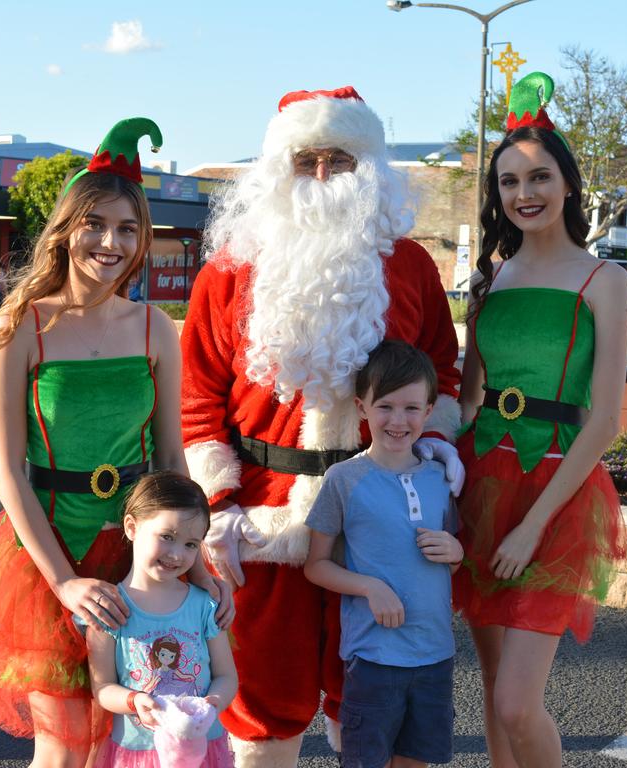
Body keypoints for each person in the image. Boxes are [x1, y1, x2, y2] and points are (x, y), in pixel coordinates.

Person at [180, 86, 464, 767]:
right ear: (278, 166)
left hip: (376, 524)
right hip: (259, 520)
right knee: (259, 703)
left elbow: (443, 380)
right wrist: (216, 509)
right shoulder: (227, 272)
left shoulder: (413, 267)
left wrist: (431, 450)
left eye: (338, 160)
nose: (319, 175)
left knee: (367, 694)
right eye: (305, 159)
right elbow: (196, 398)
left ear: (367, 169)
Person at [0, 118, 230, 768]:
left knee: (130, 736)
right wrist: (64, 583)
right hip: (46, 558)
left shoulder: (155, 328)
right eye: (95, 224)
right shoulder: (20, 327)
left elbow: (170, 464)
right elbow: (7, 470)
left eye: (128, 228)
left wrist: (201, 560)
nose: (110, 242)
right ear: (67, 228)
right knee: (66, 741)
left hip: (138, 556)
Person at [452, 72, 627, 768]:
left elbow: (607, 420)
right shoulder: (490, 280)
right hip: (480, 485)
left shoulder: (602, 280)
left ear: (568, 185)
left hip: (554, 495)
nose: (523, 193)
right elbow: (467, 400)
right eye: (508, 181)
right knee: (493, 688)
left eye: (539, 177)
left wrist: (531, 525)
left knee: (518, 703)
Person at [304, 340, 462, 768]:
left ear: (429, 411)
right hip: (374, 660)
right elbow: (316, 565)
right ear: (362, 407)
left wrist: (457, 550)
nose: (398, 420)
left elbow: (452, 552)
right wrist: (369, 587)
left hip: (435, 656)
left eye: (412, 408)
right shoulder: (344, 479)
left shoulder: (440, 477)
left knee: (415, 761)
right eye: (385, 406)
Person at [84, 471, 237, 767]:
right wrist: (133, 701)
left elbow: (226, 676)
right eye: (167, 537)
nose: (177, 554)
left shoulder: (204, 605)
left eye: (191, 544)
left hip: (199, 751)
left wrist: (213, 702)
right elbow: (102, 688)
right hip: (138, 752)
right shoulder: (110, 609)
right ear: (131, 527)